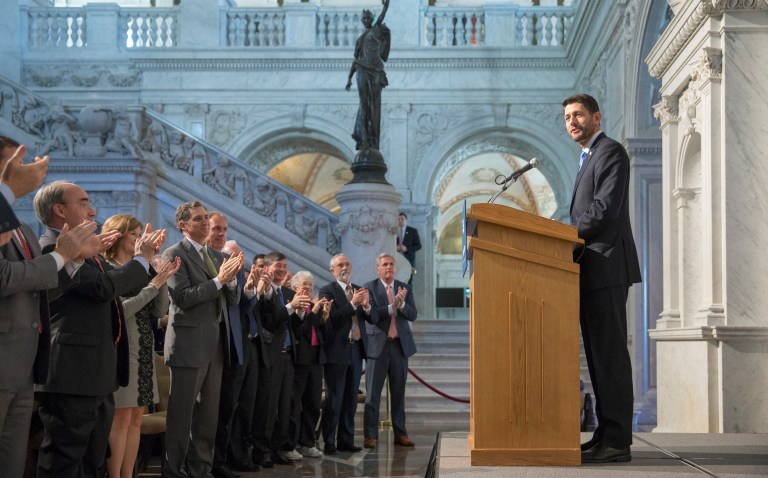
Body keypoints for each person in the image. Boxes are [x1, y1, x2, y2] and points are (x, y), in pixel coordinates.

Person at [33, 180, 164, 477]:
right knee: (65, 459)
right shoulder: (55, 248)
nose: (92, 211)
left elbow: (105, 286)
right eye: (83, 203)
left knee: (93, 458)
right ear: (59, 210)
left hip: (96, 374)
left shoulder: (85, 251)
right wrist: (142, 260)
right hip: (71, 374)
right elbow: (103, 289)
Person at [0, 138, 97, 477]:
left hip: (27, 363)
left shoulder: (22, 228)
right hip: (4, 357)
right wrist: (61, 256)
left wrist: (70, 259)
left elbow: (39, 289)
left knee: (11, 462)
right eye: (14, 165)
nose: (26, 173)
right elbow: (4, 277)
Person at [563, 93, 641, 464]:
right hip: (590, 270)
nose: (572, 122)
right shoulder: (587, 157)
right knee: (597, 356)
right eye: (567, 117)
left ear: (597, 117)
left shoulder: (610, 152)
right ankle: (605, 434)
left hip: (607, 267)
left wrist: (564, 233)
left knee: (610, 356)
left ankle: (618, 441)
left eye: (578, 114)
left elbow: (604, 210)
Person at [162, 201, 244, 478]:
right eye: (198, 219)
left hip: (215, 345)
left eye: (206, 218)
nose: (205, 223)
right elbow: (183, 298)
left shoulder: (218, 257)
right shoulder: (174, 254)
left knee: (208, 416)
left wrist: (231, 282)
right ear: (183, 225)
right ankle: (173, 470)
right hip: (187, 343)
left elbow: (232, 300)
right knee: (181, 415)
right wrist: (219, 281)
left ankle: (201, 470)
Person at [102, 215, 179, 478]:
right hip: (123, 349)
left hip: (143, 346)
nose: (140, 240)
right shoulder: (110, 267)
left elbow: (158, 310)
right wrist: (152, 286)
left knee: (135, 419)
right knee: (121, 418)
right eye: (134, 234)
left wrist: (161, 278)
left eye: (140, 234)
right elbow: (119, 312)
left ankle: (128, 474)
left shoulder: (141, 270)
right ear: (117, 236)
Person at [206, 213, 250, 478]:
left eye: (224, 229)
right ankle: (200, 463)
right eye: (216, 228)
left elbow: (239, 303)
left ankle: (219, 462)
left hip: (231, 344)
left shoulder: (231, 263)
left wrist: (247, 284)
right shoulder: (199, 258)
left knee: (226, 408)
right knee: (205, 411)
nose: (220, 233)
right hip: (206, 341)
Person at [319, 254, 372, 455]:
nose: (345, 267)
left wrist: (366, 306)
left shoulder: (359, 290)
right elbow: (331, 319)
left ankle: (346, 439)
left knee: (351, 398)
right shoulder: (327, 290)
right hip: (337, 351)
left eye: (347, 263)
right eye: (340, 265)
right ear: (333, 270)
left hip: (356, 350)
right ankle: (330, 442)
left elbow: (372, 318)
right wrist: (351, 305)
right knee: (334, 399)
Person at [363, 253, 417, 449]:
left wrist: (401, 304)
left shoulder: (405, 288)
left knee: (398, 393)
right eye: (384, 264)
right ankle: (370, 435)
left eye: (391, 264)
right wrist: (391, 306)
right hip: (378, 347)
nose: (389, 267)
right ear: (378, 268)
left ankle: (400, 434)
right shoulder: (369, 287)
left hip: (399, 347)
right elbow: (373, 316)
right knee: (373, 395)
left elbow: (413, 315)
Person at [287, 271, 331, 459]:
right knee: (295, 404)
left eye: (310, 285)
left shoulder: (316, 306)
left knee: (313, 404)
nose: (307, 288)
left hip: (316, 360)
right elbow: (299, 331)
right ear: (295, 287)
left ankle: (308, 442)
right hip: (299, 361)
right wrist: (313, 312)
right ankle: (291, 444)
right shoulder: (295, 306)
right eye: (304, 284)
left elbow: (326, 335)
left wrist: (326, 317)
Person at [345, 0, 390, 151]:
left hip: (376, 70)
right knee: (363, 104)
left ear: (372, 19)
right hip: (362, 69)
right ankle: (364, 137)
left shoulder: (376, 29)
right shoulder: (360, 39)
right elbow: (355, 60)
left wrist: (386, 3)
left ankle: (374, 139)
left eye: (368, 18)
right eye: (363, 19)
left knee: (374, 103)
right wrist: (349, 79)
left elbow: (383, 13)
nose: (366, 21)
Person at [0, 135, 49, 233]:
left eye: (21, 163)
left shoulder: (24, 230)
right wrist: (8, 191)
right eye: (12, 164)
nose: (21, 170)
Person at [396, 212, 421, 283]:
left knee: (408, 282)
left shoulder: (413, 231)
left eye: (402, 219)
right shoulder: (393, 231)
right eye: (398, 219)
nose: (400, 221)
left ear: (406, 220)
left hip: (409, 260)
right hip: (396, 261)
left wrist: (407, 248)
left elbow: (418, 246)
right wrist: (394, 247)